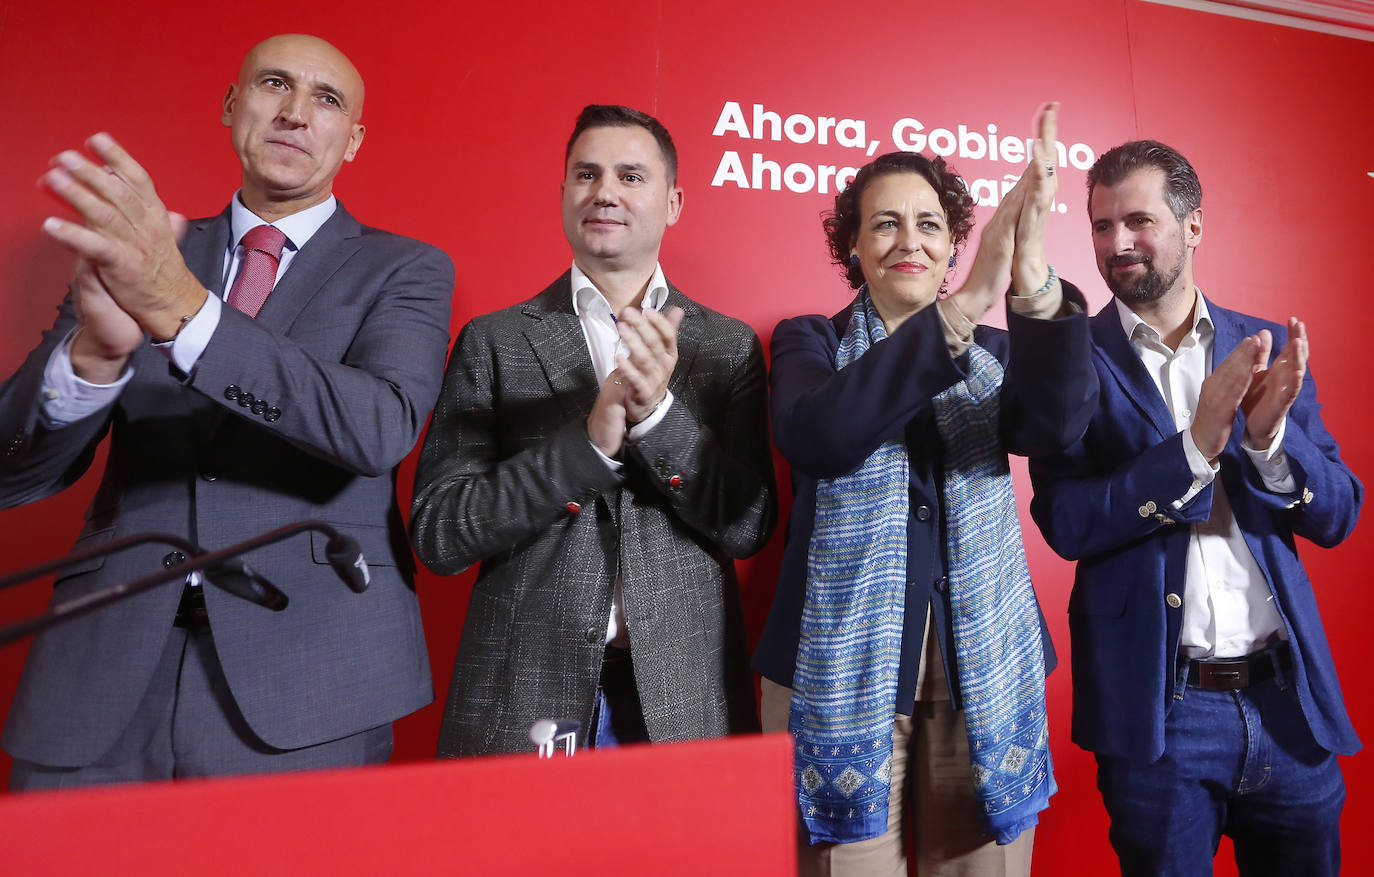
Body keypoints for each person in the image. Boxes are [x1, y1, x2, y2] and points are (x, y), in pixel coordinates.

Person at [0, 34, 453, 787]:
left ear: (353, 140)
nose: (296, 114)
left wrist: (183, 310)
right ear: (232, 105)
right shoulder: (148, 250)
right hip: (99, 675)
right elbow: (11, 474)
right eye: (274, 84)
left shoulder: (404, 267)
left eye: (327, 100)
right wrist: (96, 359)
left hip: (310, 682)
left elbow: (377, 428)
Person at [753, 104, 1097, 876]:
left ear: (953, 241)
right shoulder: (810, 341)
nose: (910, 240)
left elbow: (1059, 426)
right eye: (884, 224)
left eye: (930, 223)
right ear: (852, 244)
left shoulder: (1004, 351)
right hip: (832, 677)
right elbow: (820, 437)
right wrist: (966, 301)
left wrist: (1029, 264)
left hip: (986, 674)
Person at [1028, 140, 1360, 876]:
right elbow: (1066, 520)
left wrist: (1271, 441)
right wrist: (1191, 451)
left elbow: (1338, 515)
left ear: (1194, 225)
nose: (1118, 243)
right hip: (1160, 713)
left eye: (1139, 221)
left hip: (1290, 706)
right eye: (1102, 225)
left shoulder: (1263, 346)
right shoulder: (1070, 361)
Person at [410, 104, 775, 755]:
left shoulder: (727, 348)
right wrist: (589, 444)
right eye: (587, 174)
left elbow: (747, 526)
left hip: (686, 701)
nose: (604, 192)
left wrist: (659, 416)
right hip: (521, 696)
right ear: (563, 195)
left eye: (631, 175)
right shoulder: (494, 342)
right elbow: (440, 534)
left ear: (673, 202)